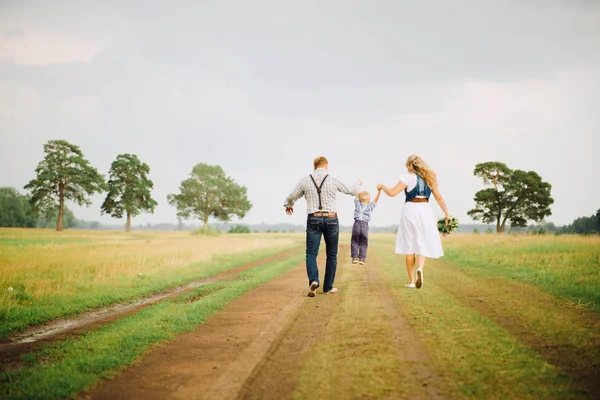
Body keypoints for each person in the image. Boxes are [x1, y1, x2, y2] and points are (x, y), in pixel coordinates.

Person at [284, 156, 362, 297]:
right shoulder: (332, 178)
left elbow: (291, 196)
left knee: (311, 253)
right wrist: (358, 183)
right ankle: (327, 287)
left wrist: (289, 205)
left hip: (313, 218)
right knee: (331, 254)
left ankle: (314, 280)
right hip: (331, 219)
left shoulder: (305, 180)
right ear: (326, 166)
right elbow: (352, 191)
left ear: (314, 167)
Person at [377, 155, 451, 289]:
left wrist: (382, 186)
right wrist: (447, 214)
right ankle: (420, 269)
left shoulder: (407, 177)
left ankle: (411, 281)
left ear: (411, 165)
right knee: (422, 242)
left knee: (409, 245)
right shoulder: (430, 178)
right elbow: (439, 197)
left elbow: (392, 193)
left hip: (410, 209)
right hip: (426, 210)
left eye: (407, 166)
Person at [351, 189, 381, 265]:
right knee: (363, 242)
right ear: (369, 200)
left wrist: (358, 186)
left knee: (355, 241)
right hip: (365, 225)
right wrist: (379, 191)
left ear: (360, 199)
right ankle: (362, 259)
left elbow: (357, 196)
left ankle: (355, 257)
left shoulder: (357, 204)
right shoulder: (370, 207)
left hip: (357, 224)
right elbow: (375, 200)